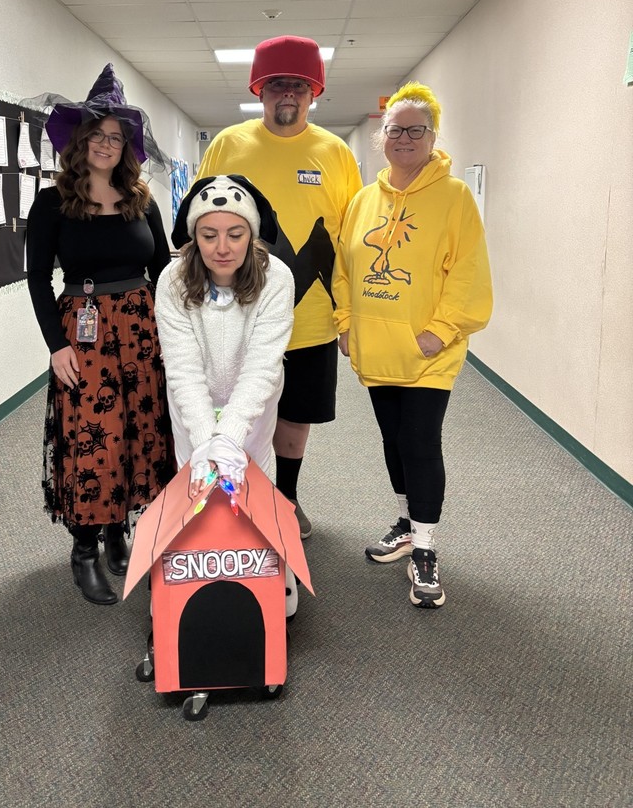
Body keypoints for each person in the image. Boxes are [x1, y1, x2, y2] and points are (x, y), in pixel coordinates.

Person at [332, 81, 493, 608]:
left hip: (429, 353)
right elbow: (344, 268)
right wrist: (345, 323)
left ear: (432, 136)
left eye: (416, 130)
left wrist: (441, 331)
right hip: (377, 349)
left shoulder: (454, 198)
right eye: (395, 129)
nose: (405, 138)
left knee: (420, 440)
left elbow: (467, 273)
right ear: (381, 137)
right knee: (393, 439)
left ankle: (425, 548)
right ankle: (407, 520)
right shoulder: (363, 200)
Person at [196, 36, 362, 538]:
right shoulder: (229, 144)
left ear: (313, 93)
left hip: (311, 317)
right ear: (260, 91)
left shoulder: (335, 153)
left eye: (297, 85)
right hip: (237, 311)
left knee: (295, 416)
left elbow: (351, 241)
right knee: (237, 406)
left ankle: (286, 497)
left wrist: (349, 317)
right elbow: (201, 222)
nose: (286, 94)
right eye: (275, 85)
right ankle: (231, 492)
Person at [26, 64, 175, 606]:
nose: (106, 145)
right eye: (97, 135)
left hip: (142, 330)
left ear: (126, 146)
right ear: (79, 141)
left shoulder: (143, 201)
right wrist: (56, 346)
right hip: (83, 333)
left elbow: (164, 271)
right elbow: (37, 278)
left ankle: (119, 531)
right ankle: (85, 548)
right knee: (94, 438)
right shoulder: (52, 203)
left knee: (140, 432)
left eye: (116, 137)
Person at [153, 175, 298, 614]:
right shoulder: (173, 280)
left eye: (235, 234)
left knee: (253, 487)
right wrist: (206, 439)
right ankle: (187, 586)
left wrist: (230, 436)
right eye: (209, 235)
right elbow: (181, 368)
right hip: (191, 409)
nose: (222, 247)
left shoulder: (277, 278)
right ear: (193, 237)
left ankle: (273, 583)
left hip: (252, 408)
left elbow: (261, 367)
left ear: (251, 234)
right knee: (195, 491)